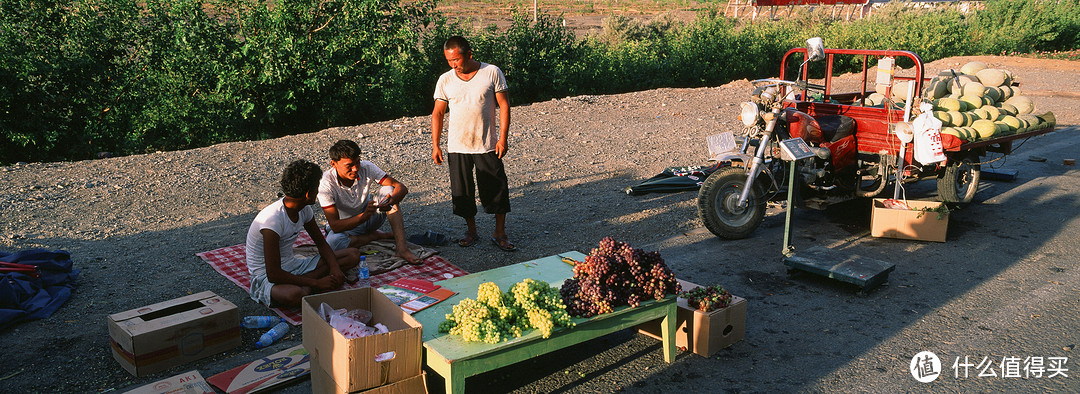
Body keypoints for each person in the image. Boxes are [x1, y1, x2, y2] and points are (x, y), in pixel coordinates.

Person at [431, 35, 515, 251]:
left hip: (487, 143)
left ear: (469, 54)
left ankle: (500, 233)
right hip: (458, 146)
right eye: (449, 61)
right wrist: (436, 145)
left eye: (456, 60)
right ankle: (471, 230)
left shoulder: (491, 72)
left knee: (496, 187)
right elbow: (438, 113)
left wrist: (503, 138)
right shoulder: (445, 80)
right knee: (462, 191)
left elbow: (504, 105)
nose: (453, 65)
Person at [246, 159, 362, 308]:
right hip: (267, 277)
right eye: (316, 188)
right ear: (308, 194)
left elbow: (321, 243)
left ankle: (307, 282)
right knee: (294, 294)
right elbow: (273, 274)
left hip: (294, 266)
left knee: (352, 255)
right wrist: (317, 282)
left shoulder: (304, 209)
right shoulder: (272, 221)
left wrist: (334, 267)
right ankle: (311, 283)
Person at [318, 140, 421, 264]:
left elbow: (400, 187)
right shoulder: (325, 183)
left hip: (369, 216)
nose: (355, 169)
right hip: (347, 227)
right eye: (349, 165)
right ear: (333, 164)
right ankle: (375, 236)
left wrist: (391, 201)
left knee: (389, 190)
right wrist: (363, 216)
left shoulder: (366, 167)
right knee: (333, 244)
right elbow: (335, 225)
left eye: (357, 162)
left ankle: (402, 248)